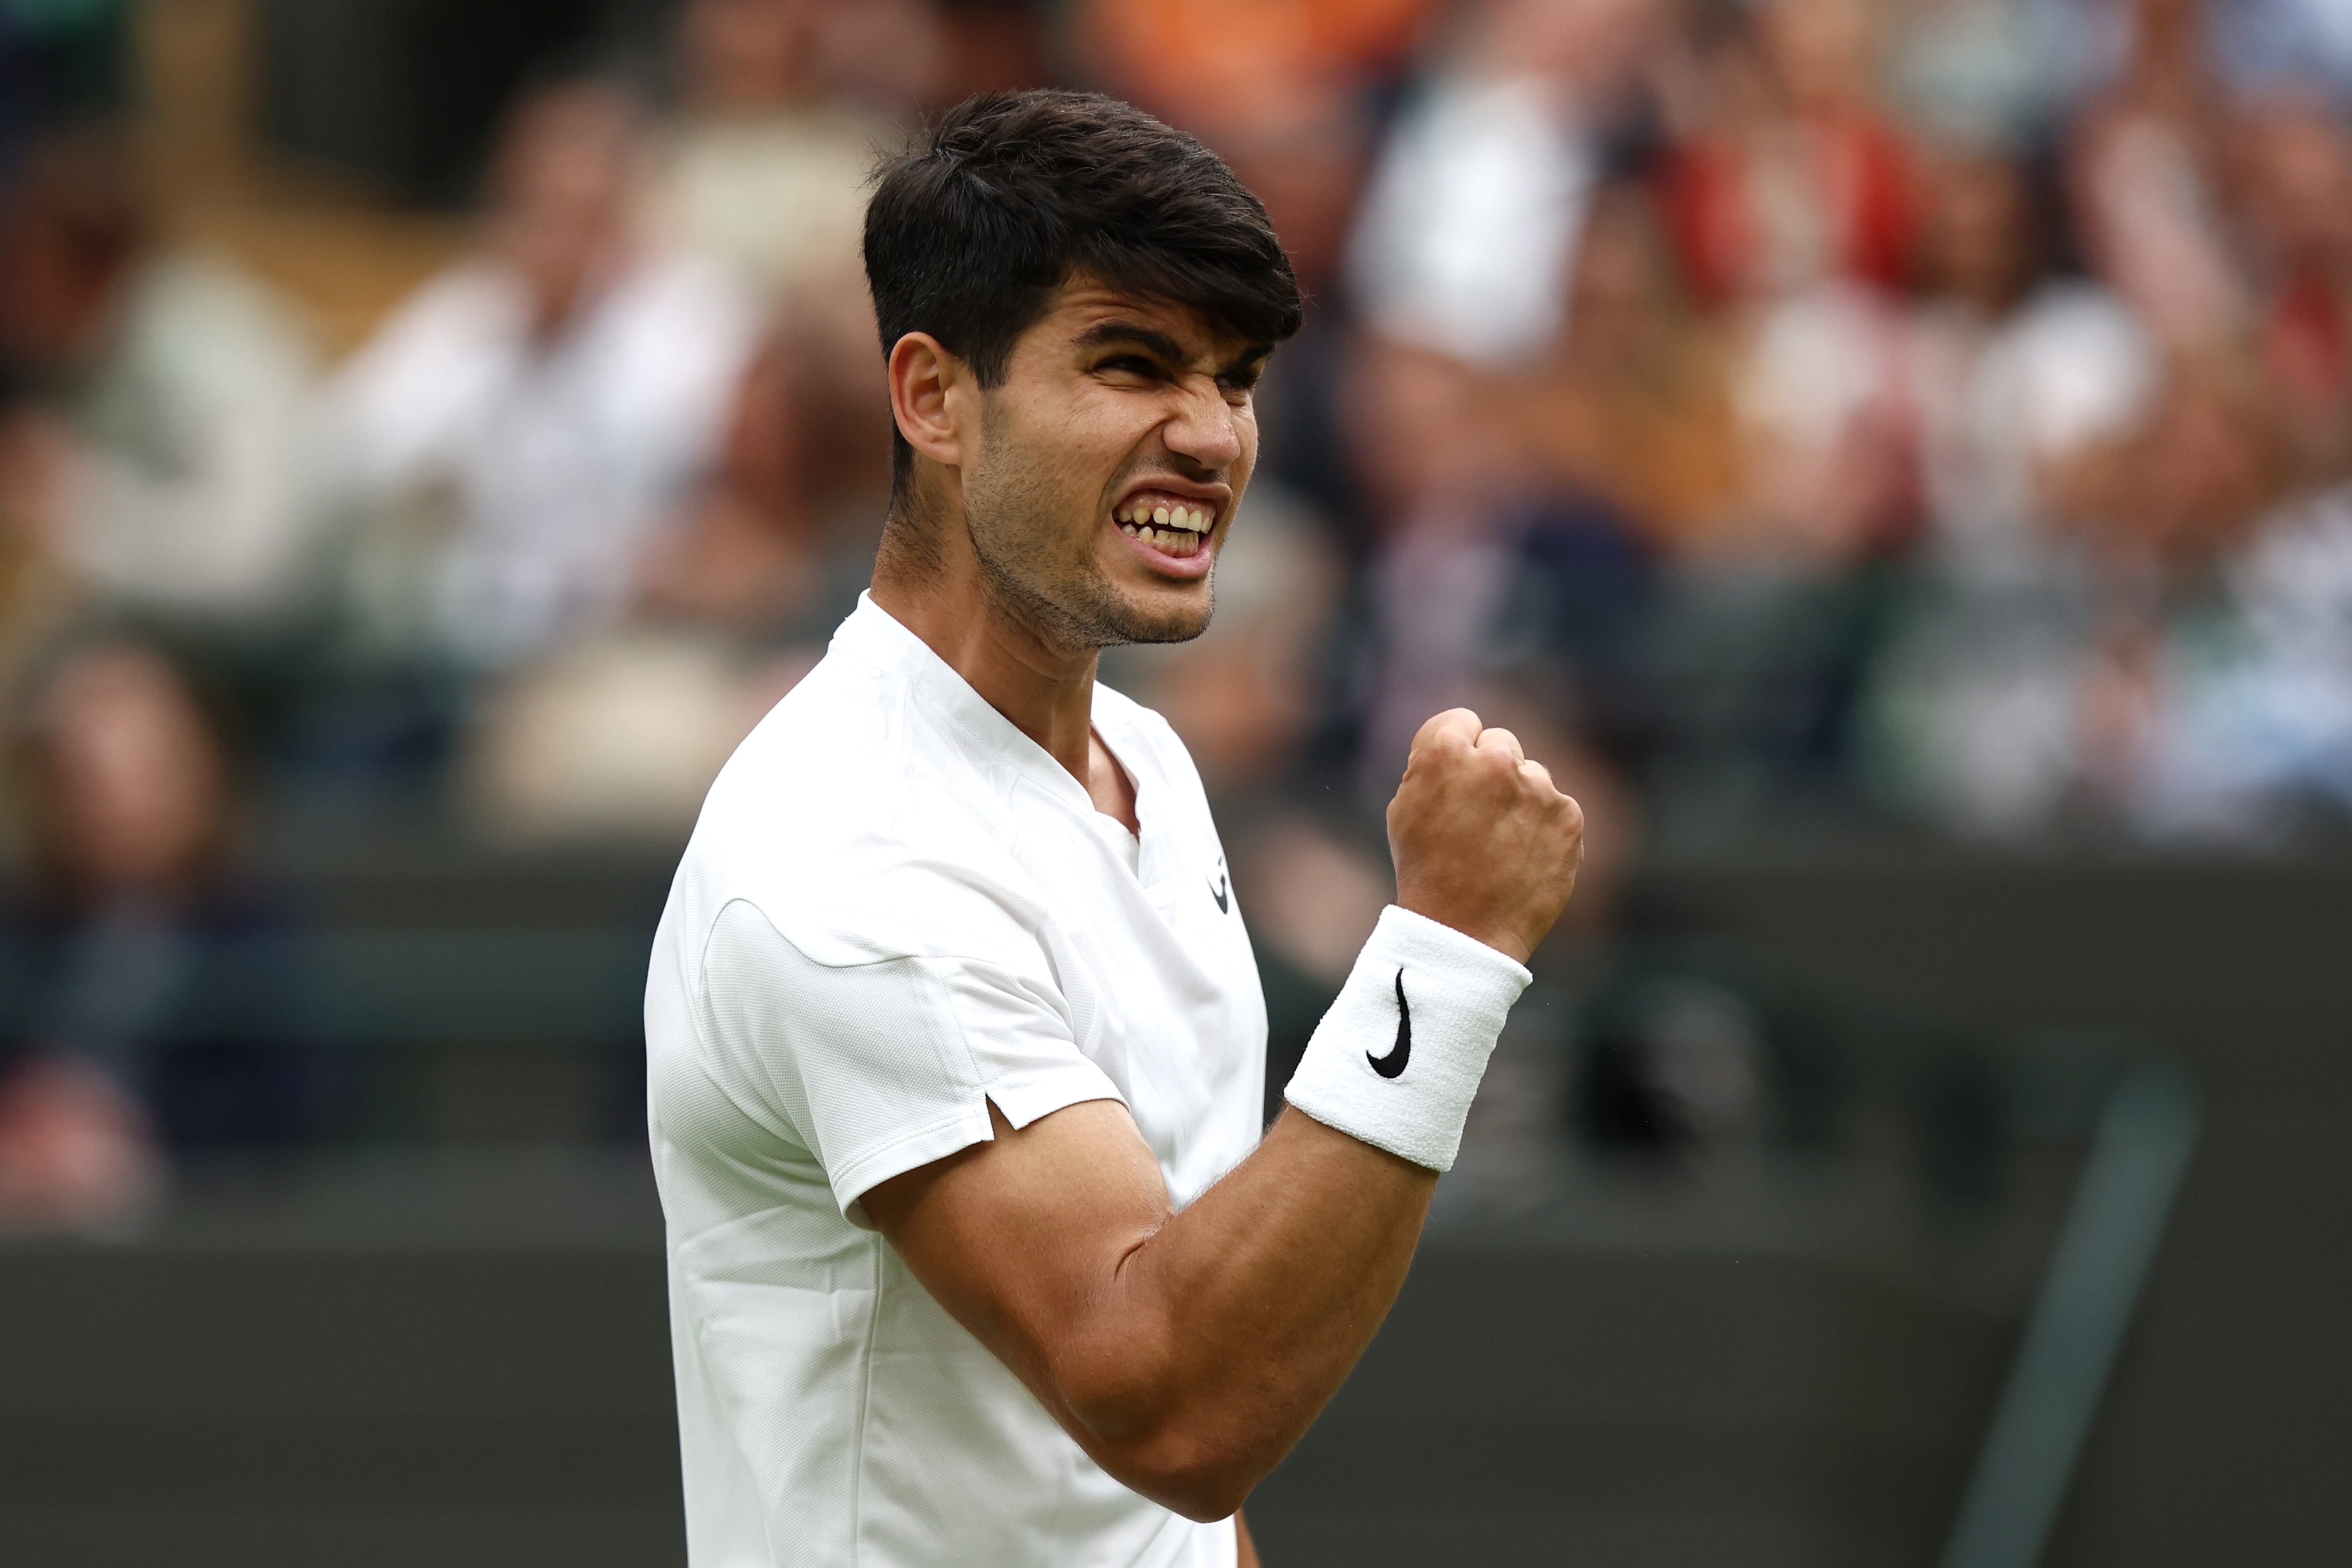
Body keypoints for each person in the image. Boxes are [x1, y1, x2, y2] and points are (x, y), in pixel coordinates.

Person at [644, 90, 1585, 1566]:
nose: (1211, 436)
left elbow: (1176, 1480)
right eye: (1134, 364)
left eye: (1237, 378)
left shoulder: (1142, 763)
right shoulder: (847, 863)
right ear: (933, 397)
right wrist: (1447, 955)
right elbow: (1175, 1409)